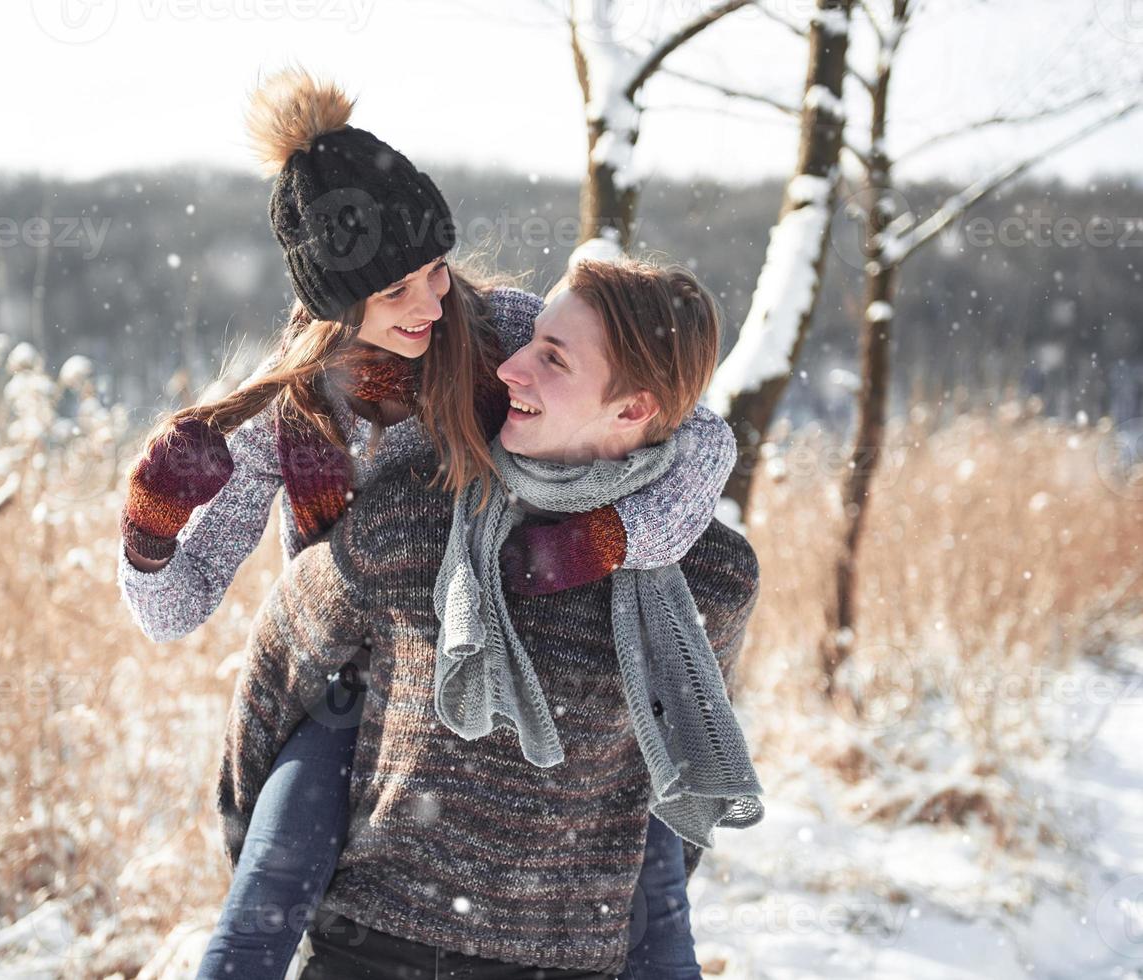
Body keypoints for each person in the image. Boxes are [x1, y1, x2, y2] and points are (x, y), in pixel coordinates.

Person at [113, 68, 737, 979]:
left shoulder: (497, 338)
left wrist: (603, 541)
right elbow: (170, 612)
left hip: (517, 641)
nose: (431, 302)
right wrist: (148, 528)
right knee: (261, 905)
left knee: (646, 893)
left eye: (435, 269)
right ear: (334, 300)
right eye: (397, 288)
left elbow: (702, 442)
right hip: (360, 675)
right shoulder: (288, 420)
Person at [216, 257, 764, 980]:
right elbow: (276, 692)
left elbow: (674, 774)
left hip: (571, 962)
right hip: (373, 954)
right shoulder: (410, 519)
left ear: (632, 410)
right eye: (530, 340)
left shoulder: (708, 574)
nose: (511, 368)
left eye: (553, 359)